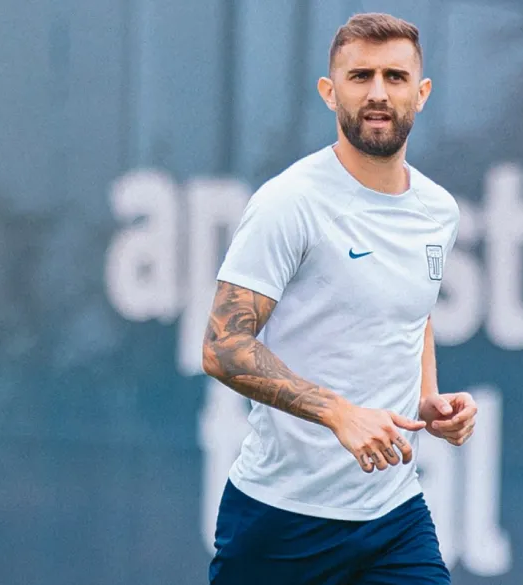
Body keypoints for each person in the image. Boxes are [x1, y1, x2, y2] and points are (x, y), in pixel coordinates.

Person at [201, 12, 477, 585]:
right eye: (361, 77)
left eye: (396, 78)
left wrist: (428, 398)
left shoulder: (438, 211)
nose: (378, 93)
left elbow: (414, 314)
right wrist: (337, 412)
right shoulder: (290, 203)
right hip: (280, 521)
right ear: (330, 92)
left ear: (421, 94)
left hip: (393, 516)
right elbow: (223, 346)